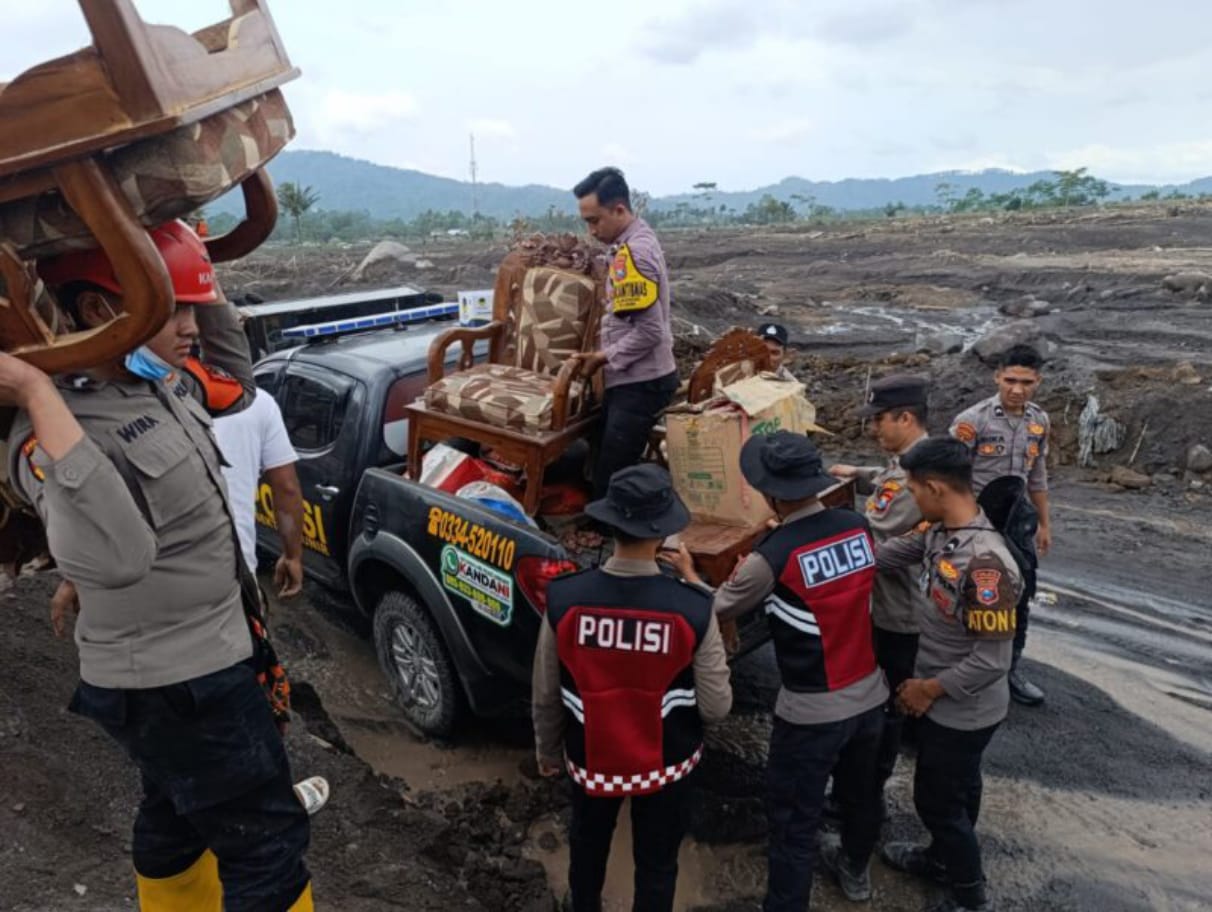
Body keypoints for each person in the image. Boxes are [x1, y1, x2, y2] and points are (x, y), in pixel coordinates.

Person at [5, 220, 313, 912]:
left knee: (176, 816)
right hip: (178, 680)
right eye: (169, 308)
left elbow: (235, 373)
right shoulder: (46, 432)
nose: (190, 326)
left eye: (192, 307)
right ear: (94, 312)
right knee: (265, 841)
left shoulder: (158, 384)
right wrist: (34, 390)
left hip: (209, 650)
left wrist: (193, 264)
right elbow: (117, 551)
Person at [667, 431, 886, 909]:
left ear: (769, 493)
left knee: (793, 821)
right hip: (871, 698)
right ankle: (855, 872)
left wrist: (688, 575)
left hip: (812, 714)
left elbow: (717, 608)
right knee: (860, 795)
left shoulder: (772, 557)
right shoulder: (856, 525)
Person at [532, 463, 732, 912]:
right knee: (658, 866)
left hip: (590, 762)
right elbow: (718, 707)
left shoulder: (564, 598)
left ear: (610, 525)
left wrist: (547, 752)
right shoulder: (694, 608)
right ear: (663, 534)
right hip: (668, 767)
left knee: (587, 853)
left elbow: (545, 693)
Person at [876, 438, 1022, 912]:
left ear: (936, 488)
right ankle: (942, 859)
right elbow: (885, 556)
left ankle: (968, 894)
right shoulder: (939, 532)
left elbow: (992, 661)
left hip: (964, 708)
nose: (911, 498)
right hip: (946, 699)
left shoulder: (985, 566)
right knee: (960, 789)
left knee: (937, 802)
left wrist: (927, 689)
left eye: (914, 489)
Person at [829, 374, 931, 802]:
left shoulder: (918, 472)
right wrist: (858, 473)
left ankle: (865, 797)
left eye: (878, 420)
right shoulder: (909, 459)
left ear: (905, 418)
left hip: (896, 611)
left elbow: (872, 528)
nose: (872, 429)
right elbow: (886, 478)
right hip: (883, 602)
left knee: (885, 707)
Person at [949, 344, 1050, 706]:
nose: (1017, 389)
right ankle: (962, 668)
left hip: (1017, 520)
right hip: (974, 520)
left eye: (1026, 382)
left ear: (1037, 381)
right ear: (997, 377)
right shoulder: (971, 421)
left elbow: (1037, 476)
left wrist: (1043, 524)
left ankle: (1010, 670)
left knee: (1021, 593)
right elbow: (950, 477)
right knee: (967, 592)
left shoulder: (1039, 421)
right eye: (1010, 380)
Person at [571, 167, 678, 498]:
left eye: (595, 220)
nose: (590, 231)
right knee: (599, 453)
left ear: (619, 210)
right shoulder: (628, 242)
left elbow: (650, 332)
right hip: (630, 378)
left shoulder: (635, 253)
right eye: (586, 222)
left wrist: (603, 357)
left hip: (642, 382)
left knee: (611, 478)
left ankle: (616, 540)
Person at [213, 386, 305, 601]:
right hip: (235, 565)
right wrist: (292, 556)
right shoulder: (257, 401)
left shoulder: (152, 399)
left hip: (165, 574)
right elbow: (286, 487)